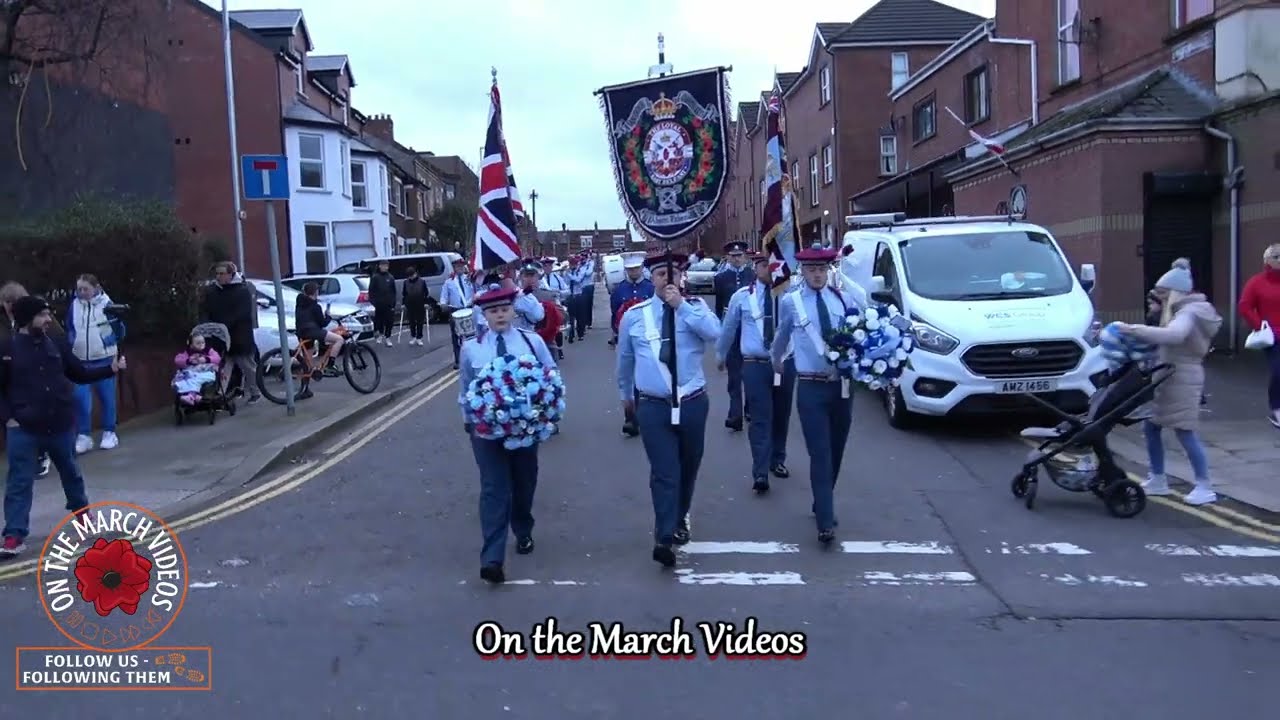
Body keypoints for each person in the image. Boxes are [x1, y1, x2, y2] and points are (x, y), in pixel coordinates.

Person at [616, 253, 721, 568]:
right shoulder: (635, 316)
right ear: (652, 278)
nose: (667, 280)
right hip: (653, 404)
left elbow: (714, 333)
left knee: (688, 466)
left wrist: (681, 307)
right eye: (661, 274)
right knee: (664, 470)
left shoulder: (695, 309)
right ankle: (664, 535)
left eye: (673, 274)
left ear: (681, 277)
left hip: (691, 402)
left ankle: (680, 514)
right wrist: (625, 395)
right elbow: (625, 360)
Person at [1, 296, 125, 557]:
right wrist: (8, 418)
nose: (48, 320)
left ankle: (83, 517)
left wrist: (110, 369)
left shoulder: (57, 344)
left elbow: (79, 373)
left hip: (59, 423)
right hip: (23, 427)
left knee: (71, 473)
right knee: (19, 482)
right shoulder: (7, 348)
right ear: (26, 318)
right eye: (42, 315)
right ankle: (13, 535)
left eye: (48, 314)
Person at [457, 284, 558, 584]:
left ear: (513, 311)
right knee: (494, 488)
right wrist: (469, 420)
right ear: (484, 315)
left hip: (524, 430)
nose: (499, 315)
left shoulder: (532, 342)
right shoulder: (471, 348)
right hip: (486, 432)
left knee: (524, 482)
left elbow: (550, 376)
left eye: (504, 309)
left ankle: (523, 526)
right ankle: (492, 559)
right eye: (493, 311)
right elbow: (466, 386)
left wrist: (545, 412)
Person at [770, 244, 863, 544]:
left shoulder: (844, 299)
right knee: (819, 453)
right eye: (811, 270)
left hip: (842, 386)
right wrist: (776, 359)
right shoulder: (792, 302)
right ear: (803, 272)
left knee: (836, 450)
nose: (817, 275)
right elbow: (782, 334)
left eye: (822, 269)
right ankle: (825, 519)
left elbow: (858, 335)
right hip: (810, 386)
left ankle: (822, 499)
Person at [1116, 259, 1221, 505]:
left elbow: (1174, 335)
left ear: (1175, 292)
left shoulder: (1189, 313)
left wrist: (1132, 329)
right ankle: (1157, 479)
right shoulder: (1183, 311)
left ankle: (1205, 486)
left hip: (1182, 378)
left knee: (1185, 431)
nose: (1159, 299)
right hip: (1168, 376)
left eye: (1163, 294)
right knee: (1151, 427)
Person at [718, 252, 795, 494]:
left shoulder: (790, 296)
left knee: (781, 414)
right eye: (763, 265)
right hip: (755, 364)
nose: (768, 269)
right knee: (761, 417)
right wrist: (721, 354)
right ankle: (760, 471)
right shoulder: (742, 297)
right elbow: (729, 328)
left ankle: (777, 458)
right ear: (755, 267)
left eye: (773, 265)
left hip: (784, 362)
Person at [1, 282, 62, 478]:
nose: (9, 307)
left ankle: (42, 455)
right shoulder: (5, 324)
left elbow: (57, 338)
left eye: (12, 302)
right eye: (6, 302)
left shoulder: (37, 317)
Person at [66, 274, 122, 454]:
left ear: (96, 288)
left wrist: (109, 343)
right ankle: (84, 435)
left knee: (107, 397)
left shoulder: (107, 304)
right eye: (79, 289)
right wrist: (72, 342)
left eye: (86, 289)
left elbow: (119, 330)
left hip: (104, 358)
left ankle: (109, 432)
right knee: (80, 398)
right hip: (81, 359)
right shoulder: (74, 305)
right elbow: (69, 327)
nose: (82, 292)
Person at [200, 262, 259, 404]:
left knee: (247, 367)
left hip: (239, 336)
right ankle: (220, 396)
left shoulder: (242, 291)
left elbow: (242, 313)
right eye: (217, 274)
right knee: (224, 367)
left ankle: (255, 392)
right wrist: (207, 325)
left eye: (222, 273)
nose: (218, 277)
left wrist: (224, 324)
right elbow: (206, 309)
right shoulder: (213, 291)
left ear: (230, 275)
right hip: (221, 337)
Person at [610, 253, 655, 437]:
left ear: (642, 268)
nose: (633, 272)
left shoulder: (650, 288)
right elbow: (615, 313)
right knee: (627, 376)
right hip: (627, 338)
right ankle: (630, 417)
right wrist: (616, 334)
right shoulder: (619, 289)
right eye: (630, 269)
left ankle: (648, 413)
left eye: (636, 269)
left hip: (648, 338)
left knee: (646, 375)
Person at [1238, 242, 1280, 428]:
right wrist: (1259, 326)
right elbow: (1245, 306)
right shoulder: (1257, 282)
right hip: (1273, 336)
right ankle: (1277, 408)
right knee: (1278, 371)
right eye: (1276, 257)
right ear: (1267, 261)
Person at [713, 242, 754, 431]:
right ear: (728, 257)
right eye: (733, 256)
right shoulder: (721, 278)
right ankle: (735, 413)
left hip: (750, 328)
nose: (737, 259)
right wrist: (720, 331)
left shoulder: (752, 275)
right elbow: (719, 305)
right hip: (732, 331)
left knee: (750, 372)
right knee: (734, 375)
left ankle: (750, 409)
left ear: (745, 257)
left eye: (740, 255)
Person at [295, 282, 344, 400]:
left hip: (302, 332)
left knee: (307, 363)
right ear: (315, 292)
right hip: (313, 331)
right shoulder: (315, 306)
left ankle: (305, 390)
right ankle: (330, 365)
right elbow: (322, 323)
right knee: (339, 339)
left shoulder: (300, 303)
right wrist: (328, 316)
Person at [440, 257, 478, 369]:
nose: (460, 268)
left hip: (469, 309)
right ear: (454, 268)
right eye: (457, 266)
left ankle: (472, 357)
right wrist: (443, 304)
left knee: (471, 335)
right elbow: (444, 296)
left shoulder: (469, 279)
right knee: (456, 337)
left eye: (461, 266)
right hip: (455, 311)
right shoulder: (449, 282)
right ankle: (458, 360)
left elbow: (475, 291)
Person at [173, 332, 221, 406]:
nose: (201, 344)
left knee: (195, 380)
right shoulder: (188, 352)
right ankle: (191, 395)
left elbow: (217, 358)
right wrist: (188, 360)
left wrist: (206, 359)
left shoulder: (208, 350)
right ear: (191, 345)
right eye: (198, 343)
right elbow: (177, 360)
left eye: (203, 342)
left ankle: (192, 396)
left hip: (207, 372)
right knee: (184, 378)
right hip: (193, 372)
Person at [368, 259, 397, 347]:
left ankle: (388, 337)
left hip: (389, 304)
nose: (384, 267)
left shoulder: (390, 277)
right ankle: (380, 334)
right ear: (380, 266)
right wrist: (374, 302)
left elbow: (393, 292)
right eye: (383, 265)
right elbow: (371, 291)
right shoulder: (375, 277)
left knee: (389, 321)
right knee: (379, 321)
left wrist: (393, 303)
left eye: (386, 266)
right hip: (379, 304)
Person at [401, 266, 430, 347]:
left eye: (412, 275)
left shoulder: (422, 282)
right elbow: (404, 294)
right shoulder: (406, 282)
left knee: (420, 321)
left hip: (420, 303)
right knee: (412, 322)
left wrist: (426, 303)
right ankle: (413, 336)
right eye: (409, 276)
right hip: (410, 304)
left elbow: (426, 293)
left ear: (415, 273)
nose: (411, 277)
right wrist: (403, 304)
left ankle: (419, 337)